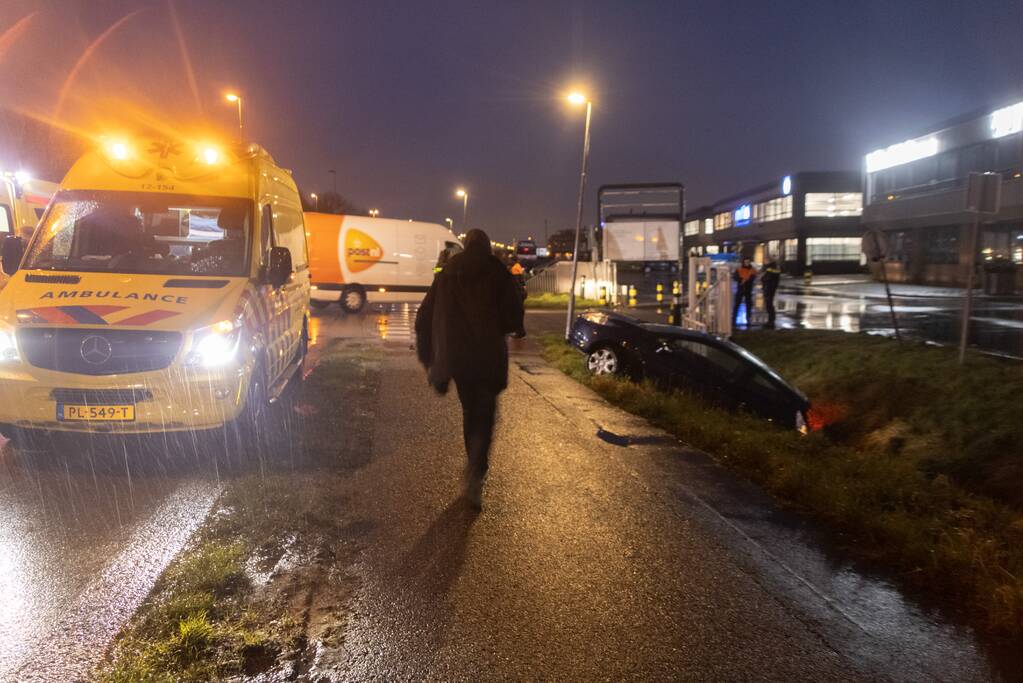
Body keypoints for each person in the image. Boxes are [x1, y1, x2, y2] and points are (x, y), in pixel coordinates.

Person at [415, 229, 525, 509]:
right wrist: (513, 327)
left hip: (459, 359)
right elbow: (513, 311)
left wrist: (429, 358)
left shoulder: (448, 272)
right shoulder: (497, 271)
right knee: (485, 413)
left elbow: (424, 315)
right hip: (488, 356)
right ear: (487, 246)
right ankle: (477, 467)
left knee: (469, 409)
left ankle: (473, 464)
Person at [732, 257, 757, 328]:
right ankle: (733, 319)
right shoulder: (739, 269)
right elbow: (735, 277)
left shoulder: (753, 270)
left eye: (748, 262)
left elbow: (753, 278)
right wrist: (741, 280)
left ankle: (748, 319)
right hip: (740, 289)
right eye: (745, 262)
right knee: (737, 305)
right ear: (743, 262)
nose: (747, 263)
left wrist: (745, 280)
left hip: (748, 289)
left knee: (748, 305)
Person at [760, 260, 781, 329]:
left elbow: (768, 279)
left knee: (769, 304)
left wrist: (763, 278)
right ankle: (770, 320)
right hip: (769, 289)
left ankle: (771, 321)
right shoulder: (771, 268)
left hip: (769, 289)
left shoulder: (771, 268)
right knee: (769, 304)